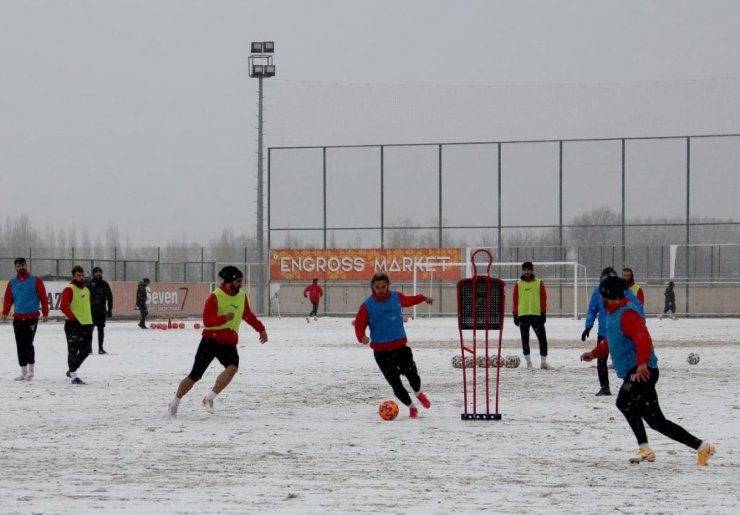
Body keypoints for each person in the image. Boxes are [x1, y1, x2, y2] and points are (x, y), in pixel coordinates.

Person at [580, 275, 715, 466]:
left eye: (602, 294)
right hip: (636, 369)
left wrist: (642, 363)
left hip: (643, 370)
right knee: (657, 422)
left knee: (623, 402)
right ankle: (703, 448)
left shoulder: (628, 313)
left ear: (609, 295)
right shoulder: (612, 314)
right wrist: (594, 353)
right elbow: (613, 340)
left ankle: (645, 448)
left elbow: (643, 338)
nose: (600, 297)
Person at [167, 266, 267, 418]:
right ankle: (174, 403)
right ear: (230, 281)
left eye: (242, 281)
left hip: (229, 342)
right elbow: (207, 321)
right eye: (238, 281)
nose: (241, 284)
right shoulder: (215, 296)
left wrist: (261, 329)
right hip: (210, 341)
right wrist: (224, 318)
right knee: (194, 376)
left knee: (232, 368)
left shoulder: (241, 296)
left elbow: (248, 315)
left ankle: (209, 399)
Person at [354, 272, 433, 419]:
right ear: (372, 286)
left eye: (383, 286)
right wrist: (362, 337)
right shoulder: (367, 305)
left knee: (412, 374)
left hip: (400, 348)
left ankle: (418, 392)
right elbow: (359, 324)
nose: (381, 289)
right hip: (381, 352)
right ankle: (411, 407)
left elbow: (410, 300)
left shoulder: (396, 297)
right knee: (395, 384)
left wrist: (423, 298)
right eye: (377, 287)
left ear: (388, 286)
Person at [581, 267, 646, 396]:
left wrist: (640, 322)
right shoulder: (597, 292)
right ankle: (604, 387)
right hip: (604, 332)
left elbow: (637, 306)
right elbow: (592, 309)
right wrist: (588, 326)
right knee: (601, 360)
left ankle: (629, 385)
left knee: (626, 359)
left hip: (622, 332)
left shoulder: (625, 292)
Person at [2, 257, 49, 381]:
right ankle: (23, 371)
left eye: (23, 265)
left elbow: (43, 297)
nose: (21, 267)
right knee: (20, 345)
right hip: (18, 318)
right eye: (18, 266)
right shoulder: (12, 283)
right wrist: (4, 313)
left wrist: (45, 312)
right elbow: (8, 299)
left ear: (26, 266)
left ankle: (31, 370)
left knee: (28, 344)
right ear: (15, 268)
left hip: (31, 317)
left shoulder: (36, 280)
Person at [512, 261, 550, 369]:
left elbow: (543, 299)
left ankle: (543, 362)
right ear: (523, 270)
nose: (527, 272)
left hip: (536, 315)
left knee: (542, 338)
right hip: (523, 315)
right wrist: (515, 314)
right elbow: (515, 300)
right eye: (525, 269)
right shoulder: (518, 283)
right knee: (525, 339)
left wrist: (543, 313)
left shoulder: (539, 282)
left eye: (529, 269)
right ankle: (529, 363)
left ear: (532, 270)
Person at [60, 265, 94, 385]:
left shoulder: (86, 290)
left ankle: (72, 369)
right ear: (74, 276)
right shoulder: (69, 289)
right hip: (73, 324)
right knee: (73, 350)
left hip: (87, 323)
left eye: (82, 275)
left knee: (86, 349)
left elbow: (87, 306)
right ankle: (74, 375)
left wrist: (91, 321)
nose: (81, 278)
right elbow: (63, 306)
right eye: (78, 276)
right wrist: (73, 318)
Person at [87, 266, 113, 354]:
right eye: (96, 272)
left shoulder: (105, 284)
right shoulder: (89, 284)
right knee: (90, 330)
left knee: (101, 330)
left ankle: (101, 348)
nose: (98, 273)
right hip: (91, 310)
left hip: (101, 310)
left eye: (99, 272)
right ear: (93, 273)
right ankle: (89, 348)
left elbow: (110, 297)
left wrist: (109, 309)